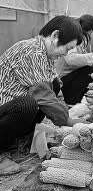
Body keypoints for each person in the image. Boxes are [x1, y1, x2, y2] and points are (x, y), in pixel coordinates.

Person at [0, 16, 86, 174]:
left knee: (52, 84)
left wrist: (66, 113)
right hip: (4, 108)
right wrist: (69, 121)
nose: (65, 53)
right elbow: (42, 95)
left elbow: (56, 91)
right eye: (67, 48)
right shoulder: (30, 51)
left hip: (10, 112)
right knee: (28, 104)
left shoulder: (47, 56)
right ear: (55, 36)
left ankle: (19, 141)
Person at [56, 14, 93, 105]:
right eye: (92, 31)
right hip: (62, 83)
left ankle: (81, 100)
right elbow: (71, 59)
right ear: (89, 29)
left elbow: (80, 60)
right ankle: (71, 101)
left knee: (92, 70)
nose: (92, 35)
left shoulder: (79, 39)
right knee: (89, 71)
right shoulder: (73, 38)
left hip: (68, 79)